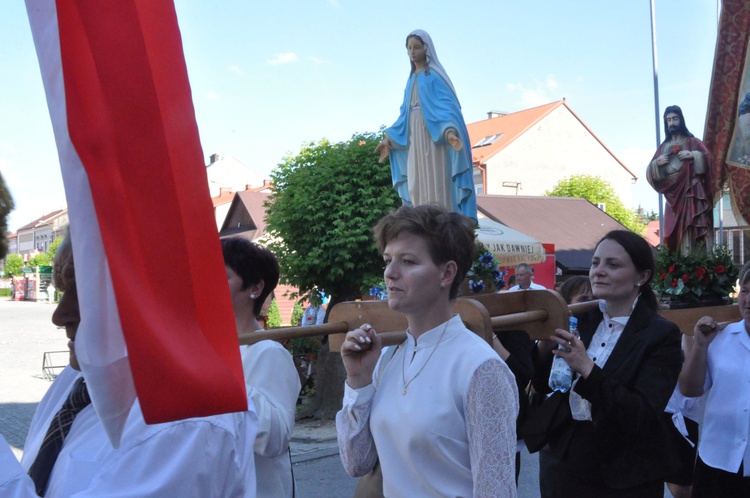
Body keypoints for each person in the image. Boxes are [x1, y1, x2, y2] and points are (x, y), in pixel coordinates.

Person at [0, 234, 258, 497]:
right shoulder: (79, 376)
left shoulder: (190, 415)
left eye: (85, 293)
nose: (60, 316)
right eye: (64, 292)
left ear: (151, 293)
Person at [337, 204, 518, 497]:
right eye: (387, 260)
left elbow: (495, 489)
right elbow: (357, 463)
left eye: (407, 261)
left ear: (447, 273)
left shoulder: (480, 366)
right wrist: (358, 382)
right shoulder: (388, 357)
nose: (390, 273)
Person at [532, 230, 682, 497]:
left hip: (624, 474)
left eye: (613, 265)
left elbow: (642, 416)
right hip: (564, 464)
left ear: (642, 277)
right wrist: (545, 344)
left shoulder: (661, 334)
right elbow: (547, 384)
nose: (598, 272)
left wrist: (587, 368)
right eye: (595, 262)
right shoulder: (581, 317)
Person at [222, 237, 300, 498]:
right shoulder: (210, 349)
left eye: (221, 275)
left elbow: (275, 438)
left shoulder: (268, 352)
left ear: (255, 288)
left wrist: (220, 376)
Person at [374, 30, 477, 223]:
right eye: (409, 48)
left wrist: (449, 132)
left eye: (417, 47)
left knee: (436, 182)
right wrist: (388, 140)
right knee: (416, 185)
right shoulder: (410, 79)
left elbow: (448, 107)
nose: (412, 52)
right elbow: (404, 114)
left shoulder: (435, 76)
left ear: (426, 49)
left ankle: (440, 223)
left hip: (434, 138)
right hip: (415, 138)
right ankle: (422, 222)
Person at [678, 261, 750, 498]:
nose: (748, 301)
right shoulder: (720, 337)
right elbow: (689, 389)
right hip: (718, 459)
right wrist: (699, 345)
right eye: (746, 291)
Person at [646, 105, 716, 255]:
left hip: (690, 191)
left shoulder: (693, 142)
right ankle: (677, 263)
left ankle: (694, 259)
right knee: (672, 233)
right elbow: (650, 172)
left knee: (691, 227)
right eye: (669, 119)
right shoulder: (663, 147)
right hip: (672, 198)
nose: (672, 122)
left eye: (675, 119)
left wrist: (694, 155)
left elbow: (709, 160)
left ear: (681, 120)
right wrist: (656, 164)